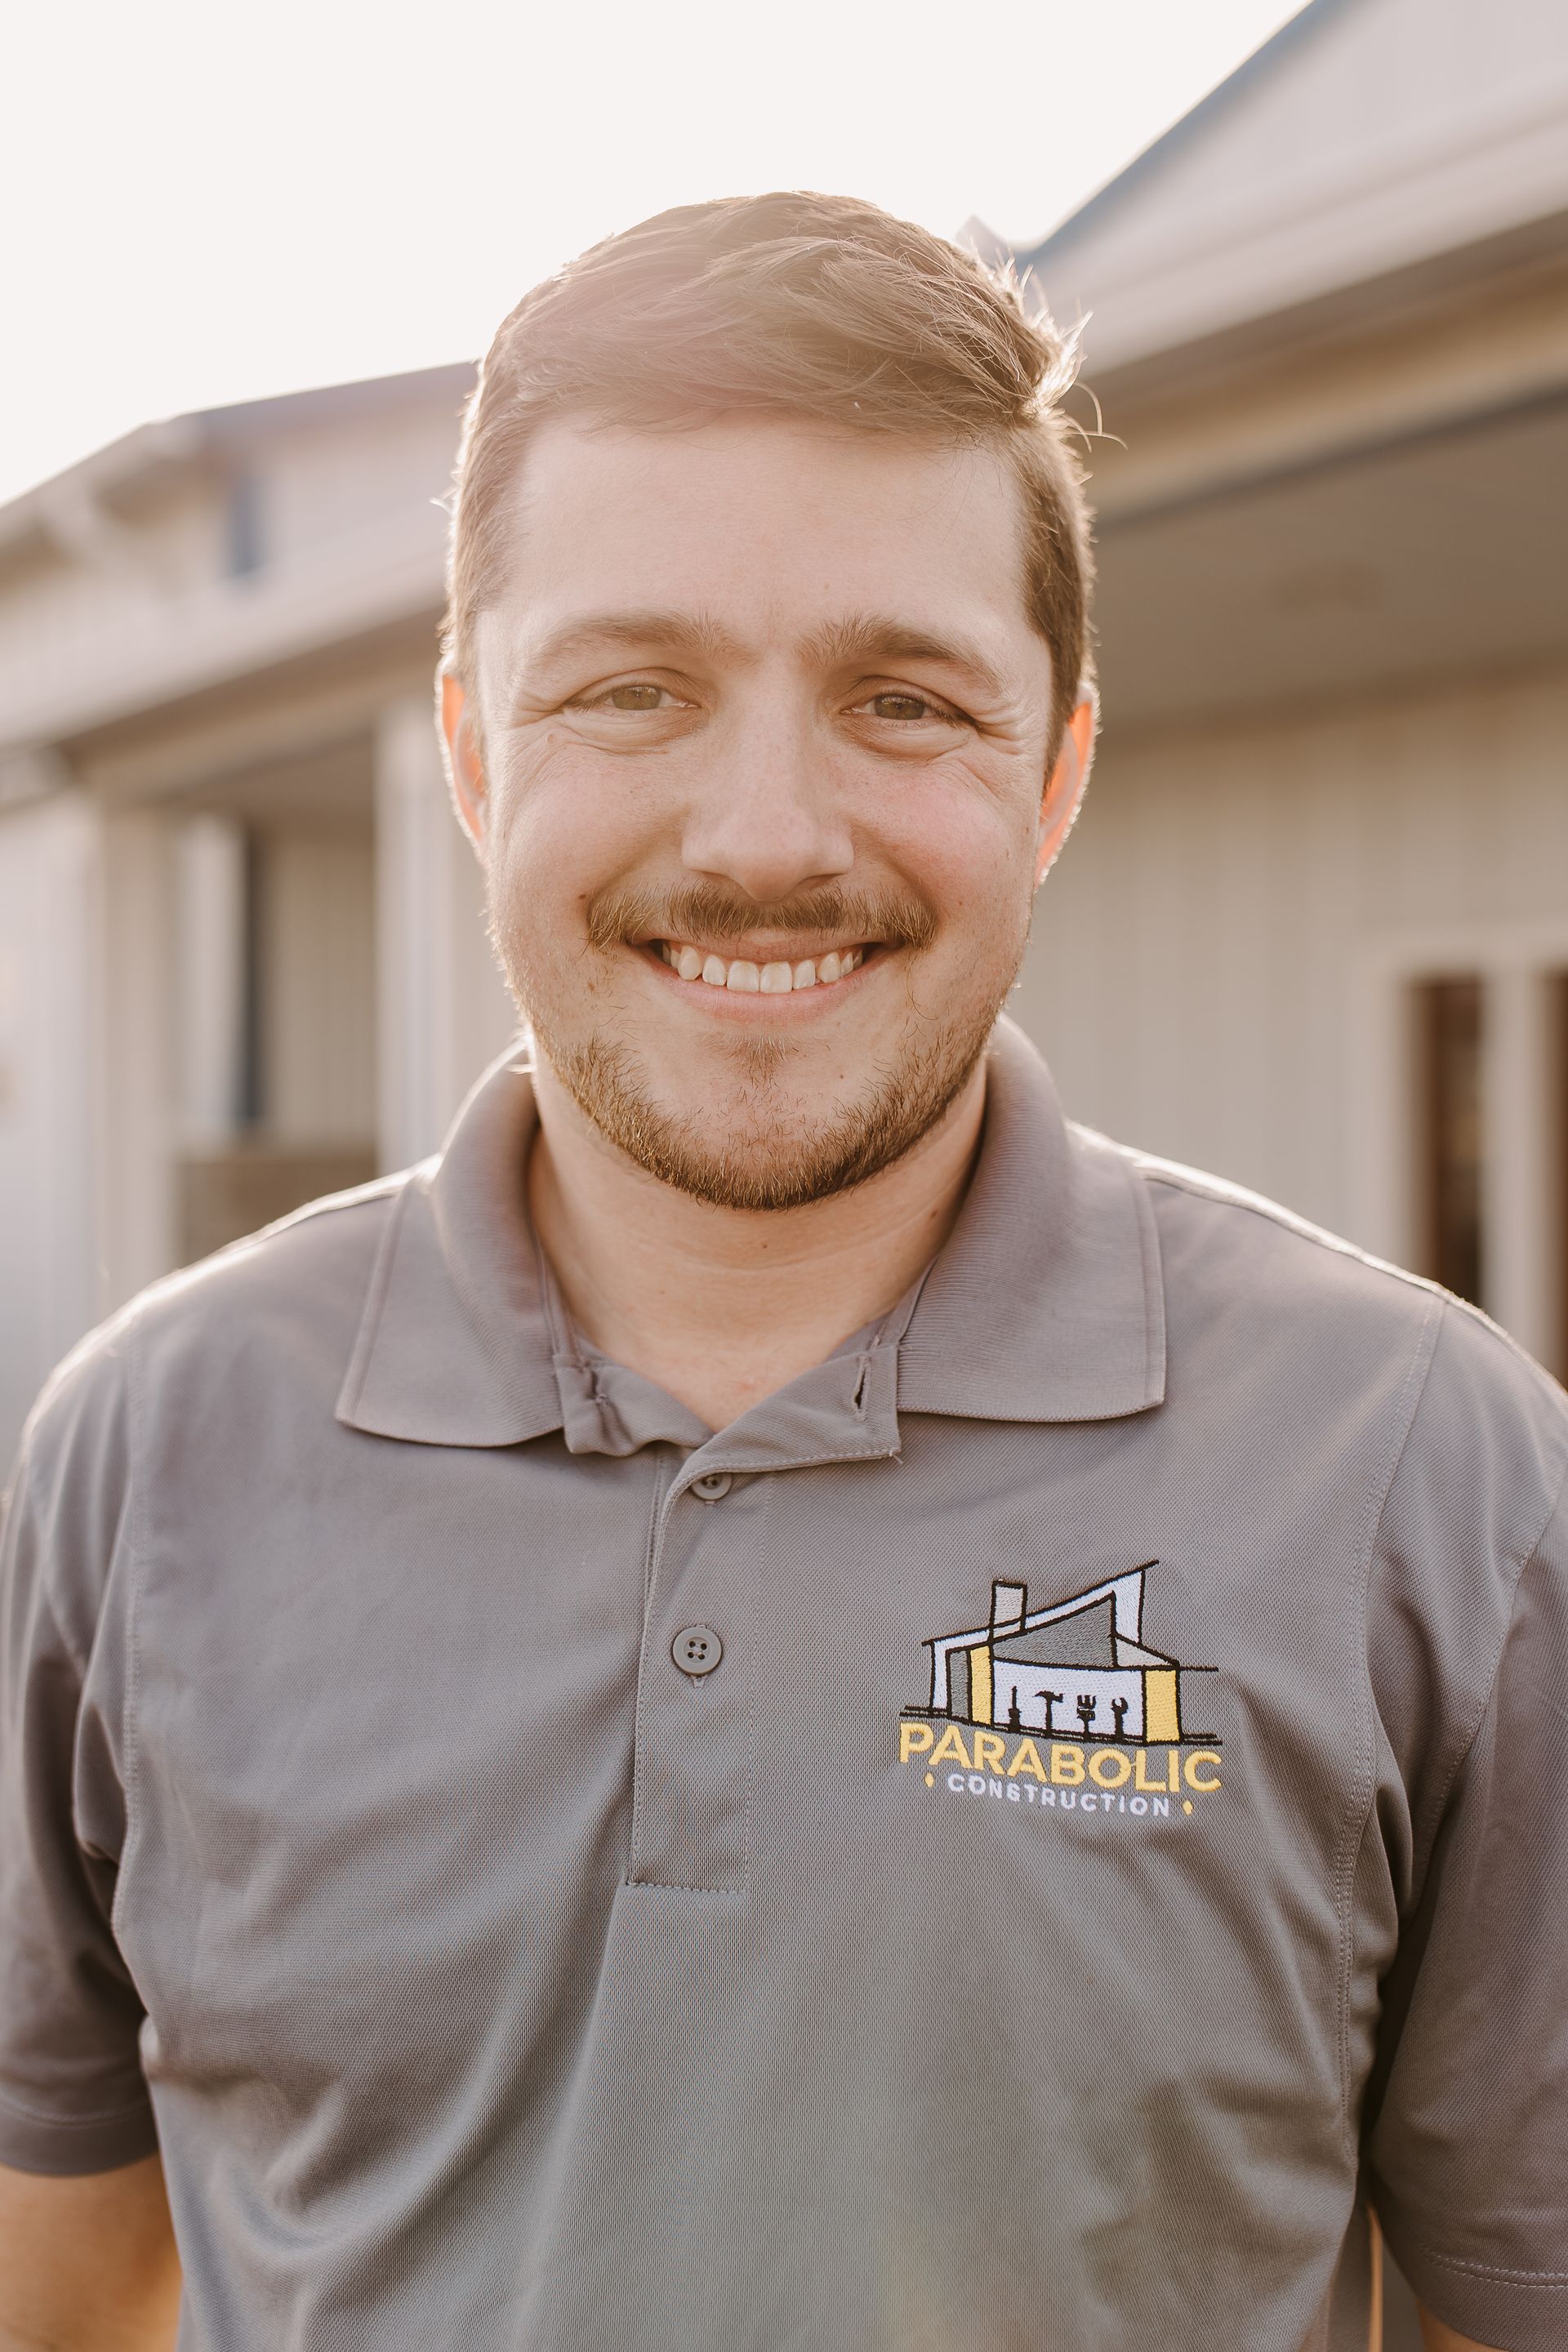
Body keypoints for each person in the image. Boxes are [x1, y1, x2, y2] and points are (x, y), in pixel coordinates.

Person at [0, 193, 1561, 2352]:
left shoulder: (1431, 1482)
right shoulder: (151, 1454)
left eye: (902, 700)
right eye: (632, 689)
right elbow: (62, 2293)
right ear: (473, 750)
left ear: (1056, 768)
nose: (763, 835)